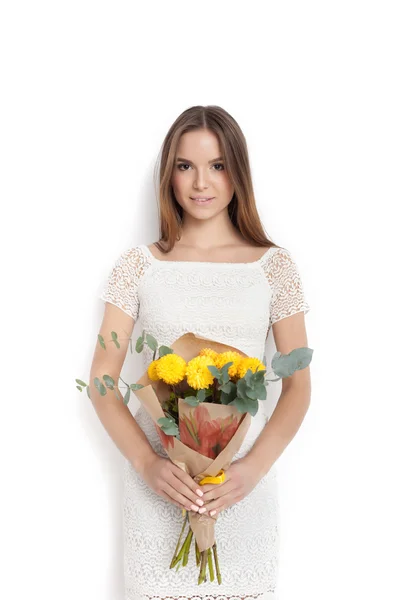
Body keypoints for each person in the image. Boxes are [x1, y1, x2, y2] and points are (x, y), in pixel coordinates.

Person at [90, 105, 311, 600]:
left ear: (239, 171)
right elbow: (103, 378)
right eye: (185, 166)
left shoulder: (274, 267)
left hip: (239, 489)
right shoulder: (137, 266)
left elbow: (299, 385)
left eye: (217, 165)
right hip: (161, 490)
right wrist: (147, 464)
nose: (200, 183)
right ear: (169, 174)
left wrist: (252, 470)